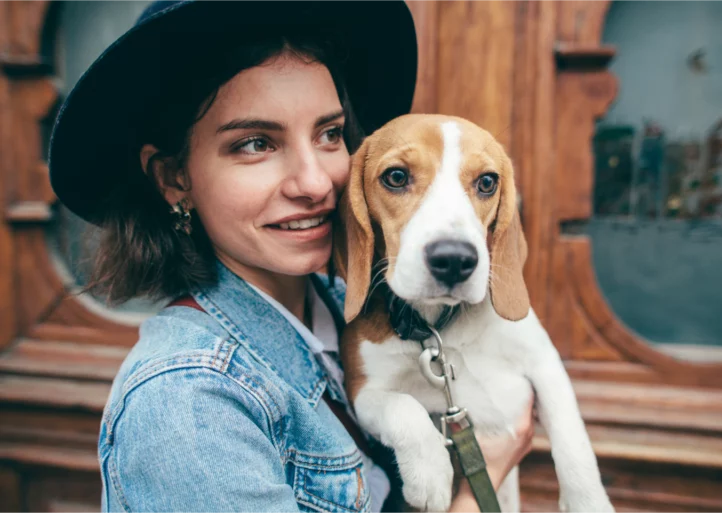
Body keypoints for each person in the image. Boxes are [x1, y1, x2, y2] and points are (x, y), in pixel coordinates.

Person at [48, 0, 535, 511]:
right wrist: (484, 480)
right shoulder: (185, 405)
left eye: (329, 134)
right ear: (174, 179)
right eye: (255, 143)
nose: (316, 182)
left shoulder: (356, 303)